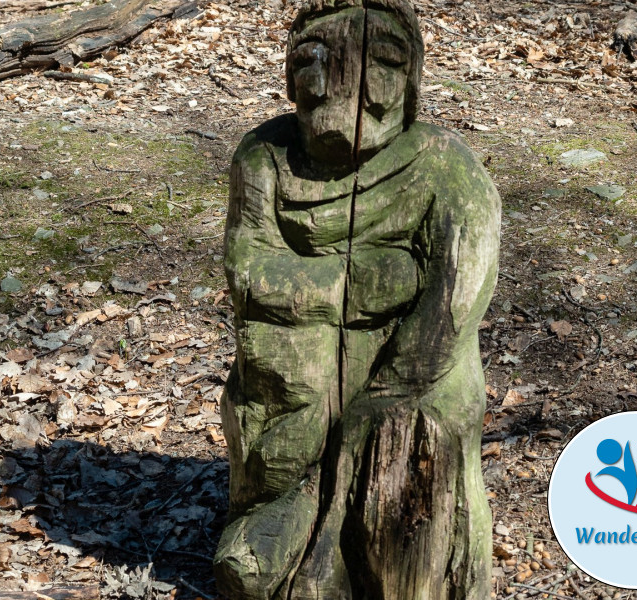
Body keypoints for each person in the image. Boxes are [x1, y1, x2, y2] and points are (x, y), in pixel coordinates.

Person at [215, 0, 501, 597]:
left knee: (404, 455)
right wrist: (364, 281)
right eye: (314, 56)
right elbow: (249, 270)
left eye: (381, 60)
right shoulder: (265, 156)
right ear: (291, 76)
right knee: (283, 417)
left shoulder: (444, 166)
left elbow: (457, 291)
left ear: (412, 79)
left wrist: (390, 391)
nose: (339, 80)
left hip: (418, 367)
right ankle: (282, 531)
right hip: (298, 361)